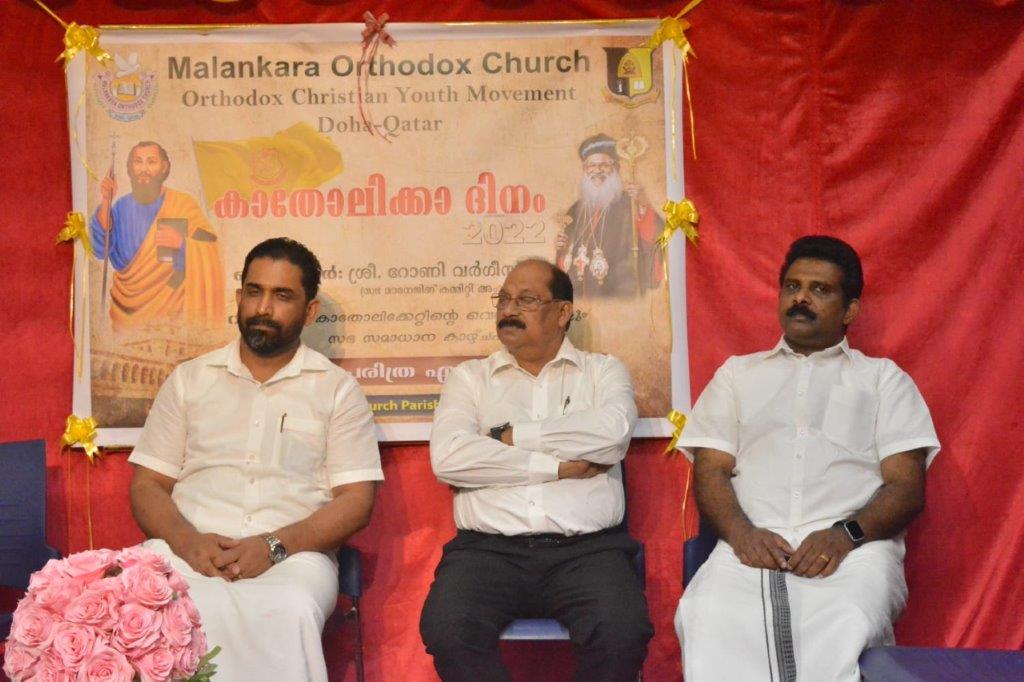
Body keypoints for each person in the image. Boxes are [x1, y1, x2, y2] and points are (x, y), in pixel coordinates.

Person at [674, 235, 940, 681]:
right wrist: (742, 534)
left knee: (847, 618)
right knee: (704, 612)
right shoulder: (737, 375)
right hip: (751, 545)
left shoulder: (883, 380)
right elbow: (711, 470)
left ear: (850, 310)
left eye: (820, 289)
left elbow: (906, 488)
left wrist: (844, 535)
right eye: (793, 286)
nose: (801, 298)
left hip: (854, 552)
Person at [127, 237, 382, 682]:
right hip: (188, 549)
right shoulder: (189, 380)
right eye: (254, 291)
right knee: (152, 600)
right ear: (238, 297)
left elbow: (356, 501)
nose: (263, 307)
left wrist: (273, 545)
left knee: (288, 608)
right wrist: (188, 542)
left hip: (293, 557)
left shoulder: (337, 390)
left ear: (310, 311)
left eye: (282, 295)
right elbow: (148, 484)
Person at [420, 258, 653, 681]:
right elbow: (451, 457)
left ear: (563, 313)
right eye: (503, 299)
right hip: (487, 553)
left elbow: (612, 434)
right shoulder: (470, 379)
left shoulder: (601, 371)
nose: (509, 310)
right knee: (449, 628)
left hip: (587, 553)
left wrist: (510, 437)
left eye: (526, 300)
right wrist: (555, 467)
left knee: (622, 632)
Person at [90, 141, 224, 331]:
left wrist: (182, 244)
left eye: (151, 161)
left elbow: (211, 248)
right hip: (126, 311)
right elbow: (100, 249)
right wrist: (106, 200)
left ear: (164, 167)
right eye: (138, 162)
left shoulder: (183, 205)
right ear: (130, 168)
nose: (143, 169)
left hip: (172, 307)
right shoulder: (120, 207)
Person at [554, 133, 662, 297]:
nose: (597, 170)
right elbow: (565, 264)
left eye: (604, 165)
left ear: (615, 168)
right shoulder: (575, 210)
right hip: (581, 297)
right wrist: (562, 248)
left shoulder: (629, 204)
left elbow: (654, 238)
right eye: (591, 165)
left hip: (619, 295)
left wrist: (642, 205)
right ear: (585, 169)